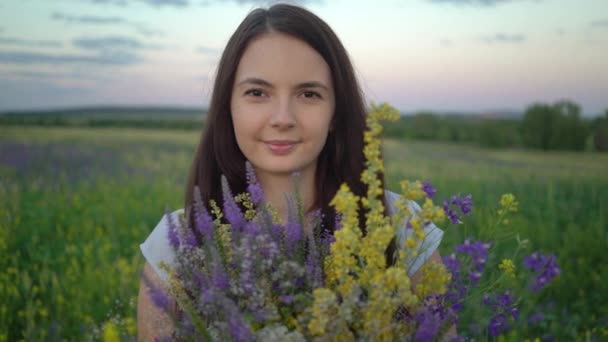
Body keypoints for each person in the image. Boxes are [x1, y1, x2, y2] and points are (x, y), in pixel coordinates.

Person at [137, 3, 444, 340]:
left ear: (336, 115)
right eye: (257, 93)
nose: (283, 117)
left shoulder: (399, 225)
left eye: (309, 94)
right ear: (229, 107)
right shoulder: (179, 242)